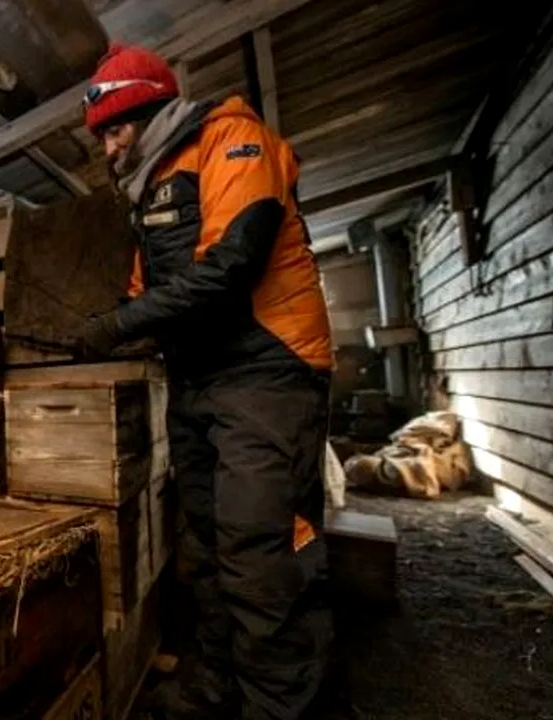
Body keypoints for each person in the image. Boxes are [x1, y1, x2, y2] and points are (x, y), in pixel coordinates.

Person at [68, 43, 335, 720]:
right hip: (198, 381)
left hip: (267, 374)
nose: (109, 150)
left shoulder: (233, 140)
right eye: (103, 137)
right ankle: (217, 686)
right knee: (206, 547)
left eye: (114, 131)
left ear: (149, 110)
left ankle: (277, 705)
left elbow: (229, 269)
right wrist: (112, 332)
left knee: (259, 549)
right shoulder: (152, 191)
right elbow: (150, 289)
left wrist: (117, 325)